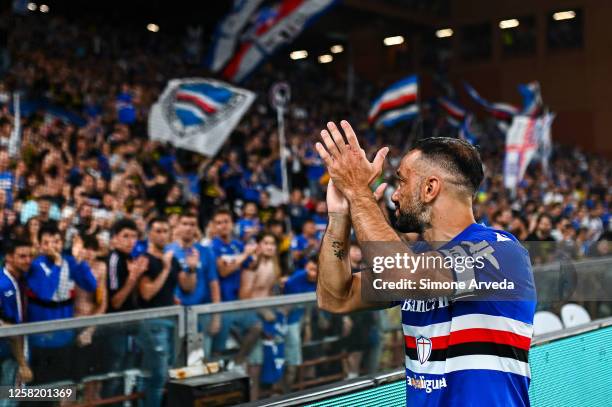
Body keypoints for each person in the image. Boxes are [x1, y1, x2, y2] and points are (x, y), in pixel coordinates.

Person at [315, 121, 536, 406]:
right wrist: (339, 217)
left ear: (430, 188)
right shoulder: (418, 259)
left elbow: (403, 275)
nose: (394, 194)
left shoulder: (499, 252)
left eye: (402, 181)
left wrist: (359, 192)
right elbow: (335, 297)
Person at [25, 224, 98, 384]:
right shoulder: (35, 265)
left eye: (57, 241)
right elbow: (46, 293)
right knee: (37, 390)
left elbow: (91, 285)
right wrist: (57, 264)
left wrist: (80, 261)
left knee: (60, 387)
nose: (53, 246)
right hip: (40, 339)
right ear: (41, 245)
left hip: (65, 338)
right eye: (47, 242)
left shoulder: (70, 262)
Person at [137, 216, 184, 407]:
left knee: (168, 373)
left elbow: (186, 286)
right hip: (152, 322)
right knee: (156, 376)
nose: (162, 235)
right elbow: (146, 294)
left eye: (166, 231)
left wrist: (192, 268)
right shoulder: (145, 260)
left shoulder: (171, 259)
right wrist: (165, 269)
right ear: (149, 234)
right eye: (158, 231)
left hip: (171, 320)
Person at [209, 208, 261, 365]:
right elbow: (223, 271)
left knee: (257, 327)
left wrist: (255, 255)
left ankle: (238, 362)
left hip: (238, 302)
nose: (223, 225)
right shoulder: (212, 246)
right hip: (220, 305)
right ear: (213, 226)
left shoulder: (238, 245)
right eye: (218, 223)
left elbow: (250, 266)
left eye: (226, 222)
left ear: (232, 224)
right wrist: (245, 255)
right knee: (218, 348)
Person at [166, 212, 221, 356]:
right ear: (177, 226)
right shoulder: (168, 251)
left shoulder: (205, 252)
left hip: (200, 314)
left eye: (192, 225)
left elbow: (213, 284)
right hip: (175, 314)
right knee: (175, 361)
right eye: (184, 224)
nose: (188, 228)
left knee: (197, 362)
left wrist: (216, 316)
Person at [239, 232, 284, 400]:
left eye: (272, 243)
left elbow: (270, 293)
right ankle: (253, 402)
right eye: (266, 242)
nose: (270, 246)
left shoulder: (275, 266)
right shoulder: (252, 265)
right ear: (258, 246)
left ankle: (277, 399)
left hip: (269, 317)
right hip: (252, 317)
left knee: (277, 359)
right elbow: (244, 297)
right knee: (254, 367)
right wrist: (263, 312)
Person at [0, 240, 33, 404]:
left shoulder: (19, 279)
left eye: (30, 256)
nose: (28, 260)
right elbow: (10, 330)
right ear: (9, 257)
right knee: (9, 399)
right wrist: (23, 363)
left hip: (13, 352)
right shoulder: (4, 285)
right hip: (10, 355)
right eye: (22, 256)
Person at [283, 255, 318, 391]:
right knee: (290, 363)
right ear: (306, 266)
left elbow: (307, 306)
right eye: (311, 269)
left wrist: (307, 325)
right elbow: (286, 306)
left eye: (317, 270)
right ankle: (285, 392)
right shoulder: (295, 280)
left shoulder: (320, 280)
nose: (313, 273)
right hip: (289, 322)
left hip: (301, 320)